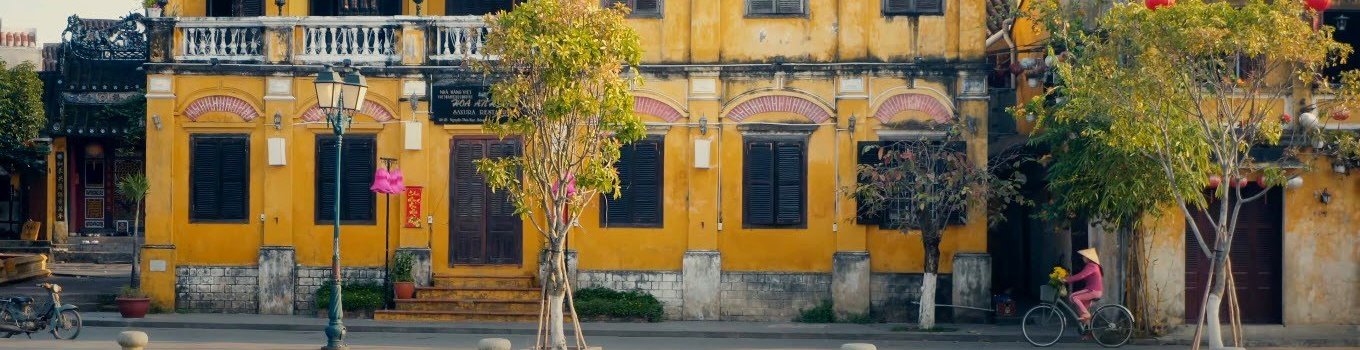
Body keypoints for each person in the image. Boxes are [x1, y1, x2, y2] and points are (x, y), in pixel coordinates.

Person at [1066, 248, 1103, 325]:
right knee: (1081, 311)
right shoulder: (1093, 266)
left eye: (1084, 256)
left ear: (1088, 258)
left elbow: (1081, 275)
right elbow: (1082, 275)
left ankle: (1086, 314)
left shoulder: (1092, 266)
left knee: (1073, 297)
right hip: (1092, 290)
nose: (1083, 258)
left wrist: (1067, 280)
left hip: (1093, 291)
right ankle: (1088, 332)